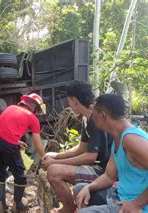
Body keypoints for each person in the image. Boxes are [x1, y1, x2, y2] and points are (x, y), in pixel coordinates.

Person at [76, 94, 148, 212]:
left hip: (146, 207)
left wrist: (137, 204)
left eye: (94, 113)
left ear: (103, 115)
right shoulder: (117, 137)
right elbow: (109, 176)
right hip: (123, 196)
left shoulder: (131, 139)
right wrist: (88, 187)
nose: (92, 117)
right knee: (80, 189)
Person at [41, 80, 112, 213]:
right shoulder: (86, 118)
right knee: (54, 167)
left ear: (75, 100)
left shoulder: (95, 119)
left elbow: (90, 157)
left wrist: (56, 162)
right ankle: (70, 206)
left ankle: (69, 209)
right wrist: (56, 156)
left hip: (104, 172)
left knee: (54, 172)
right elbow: (81, 148)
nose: (69, 105)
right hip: (96, 167)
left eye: (69, 102)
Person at [0, 93, 47, 212]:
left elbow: (3, 130)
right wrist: (45, 159)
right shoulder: (33, 117)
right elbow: (38, 145)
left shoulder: (11, 107)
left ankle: (1, 205)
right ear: (35, 107)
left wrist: (17, 142)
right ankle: (18, 204)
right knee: (20, 176)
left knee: (0, 173)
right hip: (7, 143)